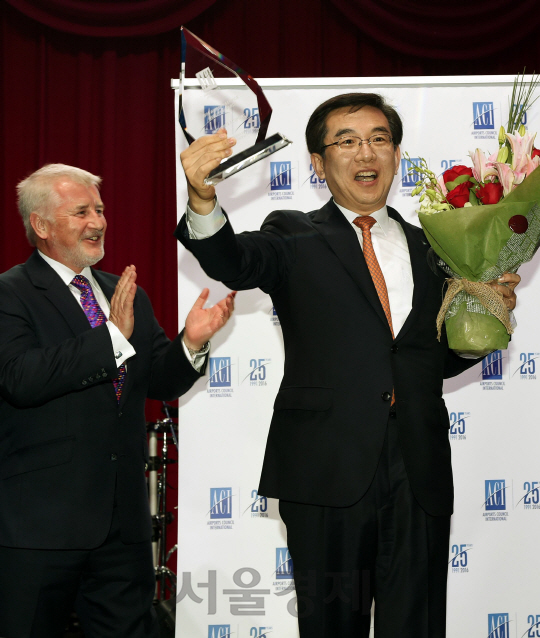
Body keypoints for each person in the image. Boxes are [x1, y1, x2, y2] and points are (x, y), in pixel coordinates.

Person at [175, 93, 520, 638]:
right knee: (331, 625)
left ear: (397, 153)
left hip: (418, 469)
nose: (367, 152)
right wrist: (201, 198)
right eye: (348, 140)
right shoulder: (291, 232)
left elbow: (427, 359)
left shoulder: (434, 245)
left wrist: (484, 320)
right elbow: (234, 262)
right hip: (325, 469)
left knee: (418, 625)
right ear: (318, 162)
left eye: (380, 139)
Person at [0, 164, 236, 638]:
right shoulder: (11, 293)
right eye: (81, 211)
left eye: (101, 210)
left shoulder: (123, 294)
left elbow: (158, 382)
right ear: (41, 225)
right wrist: (110, 337)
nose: (99, 221)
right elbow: (20, 378)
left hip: (123, 527)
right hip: (41, 526)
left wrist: (191, 343)